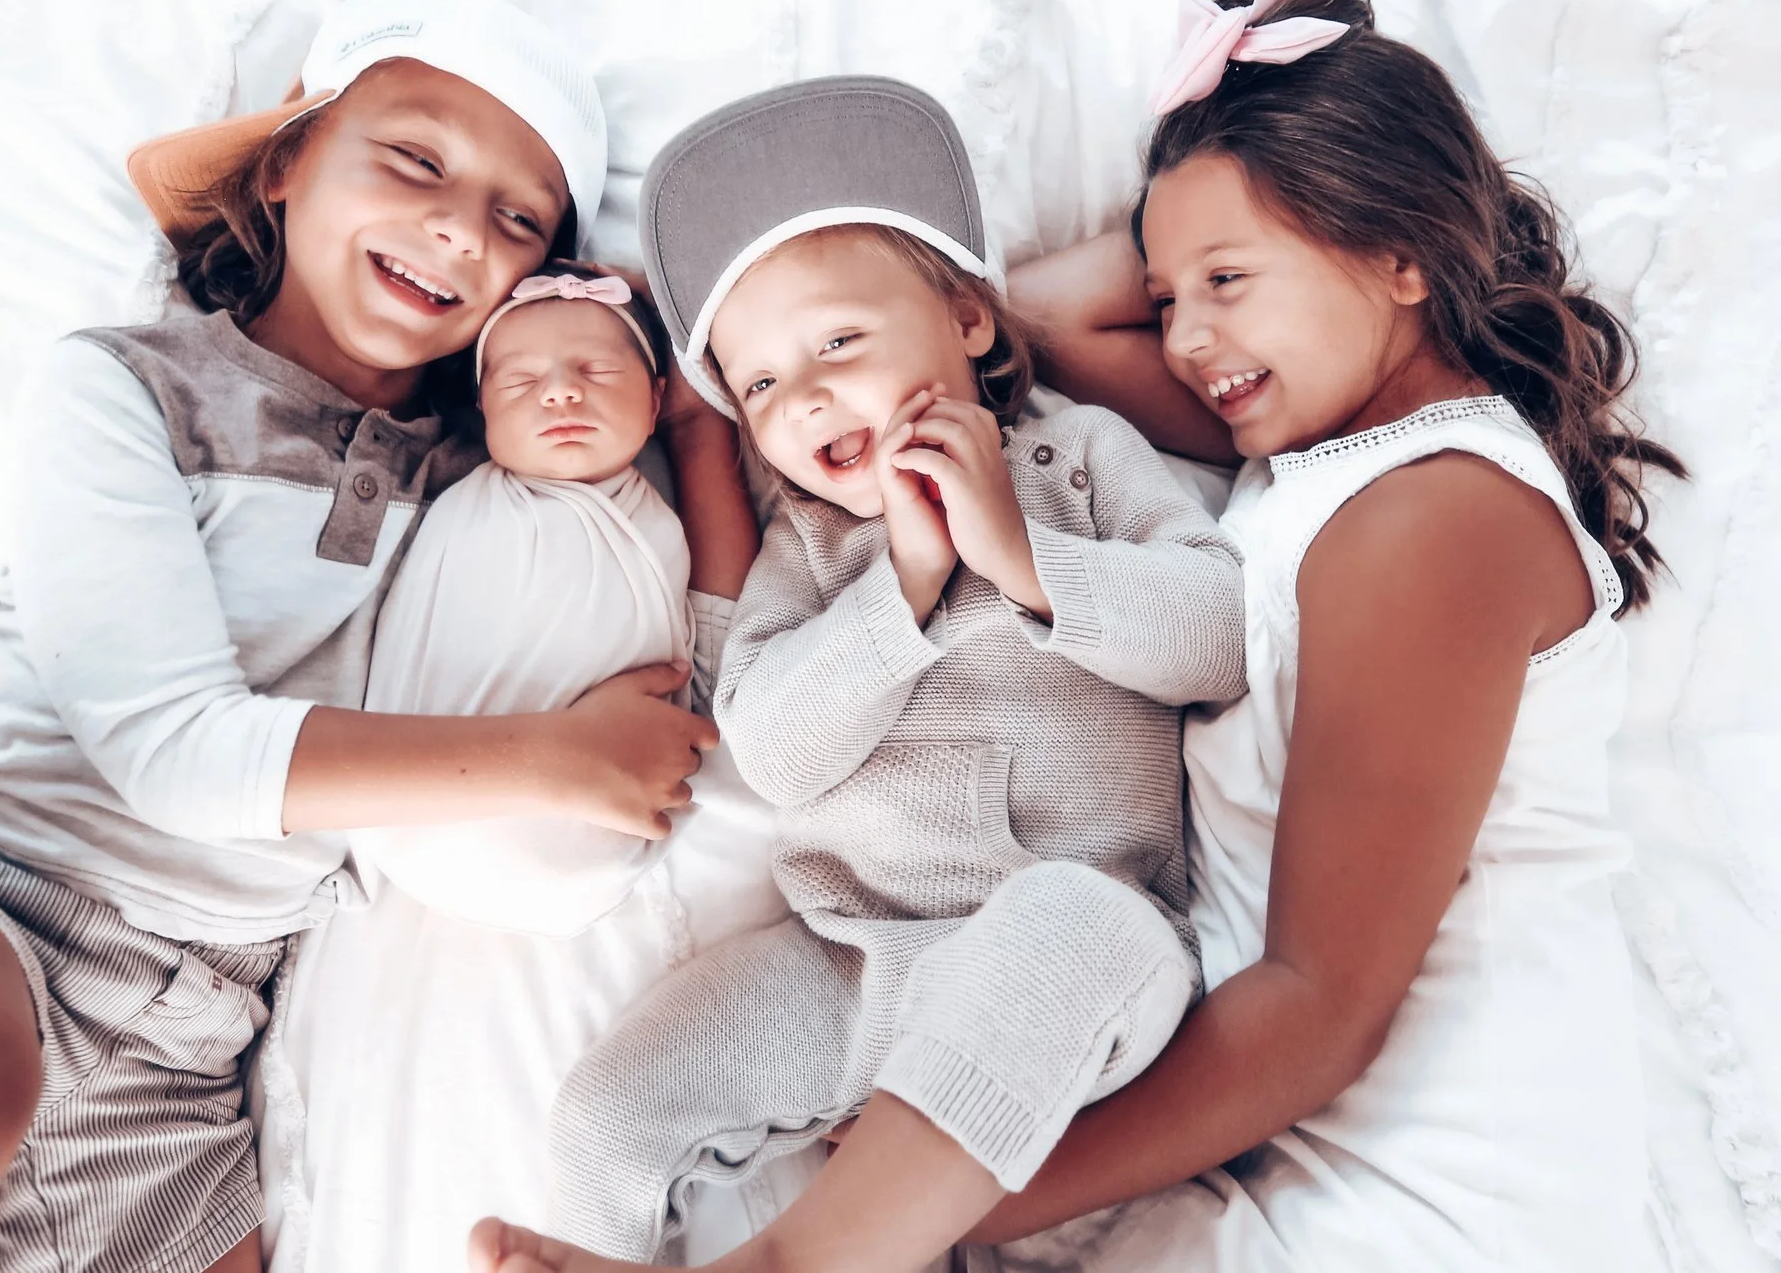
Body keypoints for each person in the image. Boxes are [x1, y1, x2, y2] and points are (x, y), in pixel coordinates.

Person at [0, 0, 720, 1273]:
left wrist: (634, 351)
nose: (458, 224)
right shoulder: (125, 387)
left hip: (187, 1046)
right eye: (416, 158)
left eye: (517, 219)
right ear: (285, 165)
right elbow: (168, 747)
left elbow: (697, 412)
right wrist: (552, 758)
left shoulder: (489, 469)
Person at [966, 0, 1687, 1271]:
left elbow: (1320, 1002)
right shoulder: (1323, 459)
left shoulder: (1436, 517)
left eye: (1227, 281)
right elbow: (1031, 321)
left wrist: (951, 1188)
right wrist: (1209, 197)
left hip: (1432, 1197)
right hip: (1291, 1149)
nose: (1184, 337)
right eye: (1170, 293)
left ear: (1402, 252)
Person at [471, 76, 1248, 1273]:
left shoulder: (1082, 459)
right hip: (851, 957)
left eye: (838, 341)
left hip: (1077, 958)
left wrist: (1019, 555)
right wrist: (905, 593)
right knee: (608, 1107)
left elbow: (1218, 635)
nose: (809, 394)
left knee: (1069, 919)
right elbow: (771, 752)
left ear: (970, 324)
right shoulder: (813, 550)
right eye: (764, 385)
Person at [264, 259, 804, 1271]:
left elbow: (722, 615)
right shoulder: (454, 500)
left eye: (595, 371)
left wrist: (698, 427)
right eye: (520, 382)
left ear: (651, 401)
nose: (558, 390)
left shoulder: (656, 521)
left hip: (579, 846)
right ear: (479, 409)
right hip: (412, 810)